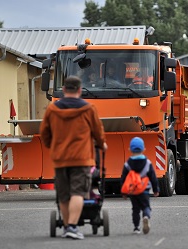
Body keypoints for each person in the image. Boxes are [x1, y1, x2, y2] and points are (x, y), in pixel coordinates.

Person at [40, 75, 107, 240]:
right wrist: (102, 143)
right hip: (81, 158)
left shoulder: (52, 109)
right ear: (79, 90)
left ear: (63, 90)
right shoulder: (89, 109)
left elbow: (44, 133)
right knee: (78, 192)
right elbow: (98, 132)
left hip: (60, 158)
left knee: (64, 194)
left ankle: (65, 226)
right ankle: (72, 227)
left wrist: (52, 145)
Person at [120, 137, 159, 235]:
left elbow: (123, 179)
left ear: (130, 149)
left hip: (133, 191)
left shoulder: (127, 164)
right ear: (143, 149)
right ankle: (146, 216)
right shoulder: (147, 163)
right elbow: (153, 177)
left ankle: (136, 228)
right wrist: (156, 189)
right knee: (146, 207)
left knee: (135, 209)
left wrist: (124, 192)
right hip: (144, 190)